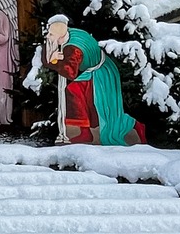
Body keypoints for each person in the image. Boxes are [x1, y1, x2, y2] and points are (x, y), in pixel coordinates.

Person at [43, 15, 145, 146]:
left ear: (60, 36)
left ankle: (88, 131)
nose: (48, 37)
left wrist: (52, 60)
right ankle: (85, 131)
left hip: (100, 73)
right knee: (82, 96)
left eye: (51, 35)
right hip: (94, 70)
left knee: (77, 92)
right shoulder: (70, 34)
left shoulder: (73, 48)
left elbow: (69, 72)